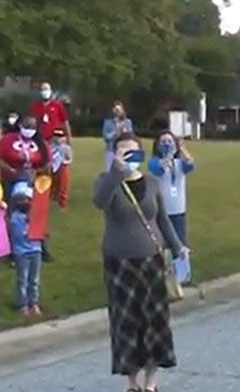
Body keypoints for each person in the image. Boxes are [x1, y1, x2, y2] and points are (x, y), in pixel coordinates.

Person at [93, 132, 187, 392]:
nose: (128, 157)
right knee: (127, 321)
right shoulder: (106, 181)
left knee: (154, 320)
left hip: (151, 260)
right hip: (120, 263)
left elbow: (162, 219)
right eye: (123, 152)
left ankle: (151, 381)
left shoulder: (152, 183)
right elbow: (99, 201)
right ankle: (132, 382)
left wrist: (178, 246)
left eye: (133, 152)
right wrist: (116, 171)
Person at [148, 131, 194, 245]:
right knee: (162, 243)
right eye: (163, 141)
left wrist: (181, 149)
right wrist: (168, 156)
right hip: (162, 211)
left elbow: (190, 164)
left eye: (170, 141)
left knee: (179, 242)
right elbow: (159, 169)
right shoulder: (153, 162)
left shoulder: (179, 163)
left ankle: (179, 262)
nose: (166, 144)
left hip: (178, 210)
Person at [0, 115, 51, 201]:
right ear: (20, 125)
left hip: (30, 181)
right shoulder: (8, 139)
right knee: (9, 204)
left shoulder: (41, 143)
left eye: (33, 127)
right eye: (27, 126)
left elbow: (48, 163)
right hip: (9, 178)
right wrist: (10, 170)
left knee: (22, 203)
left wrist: (36, 172)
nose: (30, 130)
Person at [9, 182, 43, 316]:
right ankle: (22, 304)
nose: (24, 202)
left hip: (36, 250)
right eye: (20, 199)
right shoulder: (15, 218)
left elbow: (39, 232)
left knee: (34, 279)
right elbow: (19, 233)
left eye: (26, 199)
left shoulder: (36, 214)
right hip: (21, 252)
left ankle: (33, 302)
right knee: (22, 278)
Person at [102, 101, 133, 171]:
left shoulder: (128, 122)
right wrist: (115, 132)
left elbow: (130, 136)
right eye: (116, 110)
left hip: (124, 150)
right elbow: (105, 137)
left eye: (119, 110)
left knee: (124, 170)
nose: (117, 112)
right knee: (109, 170)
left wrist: (124, 131)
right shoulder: (107, 122)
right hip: (110, 150)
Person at [50, 128, 73, 209]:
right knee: (52, 183)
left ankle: (62, 203)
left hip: (62, 166)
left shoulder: (66, 148)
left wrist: (65, 162)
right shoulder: (50, 147)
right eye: (56, 136)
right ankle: (52, 197)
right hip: (52, 167)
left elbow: (69, 158)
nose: (58, 139)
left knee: (63, 184)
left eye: (61, 136)